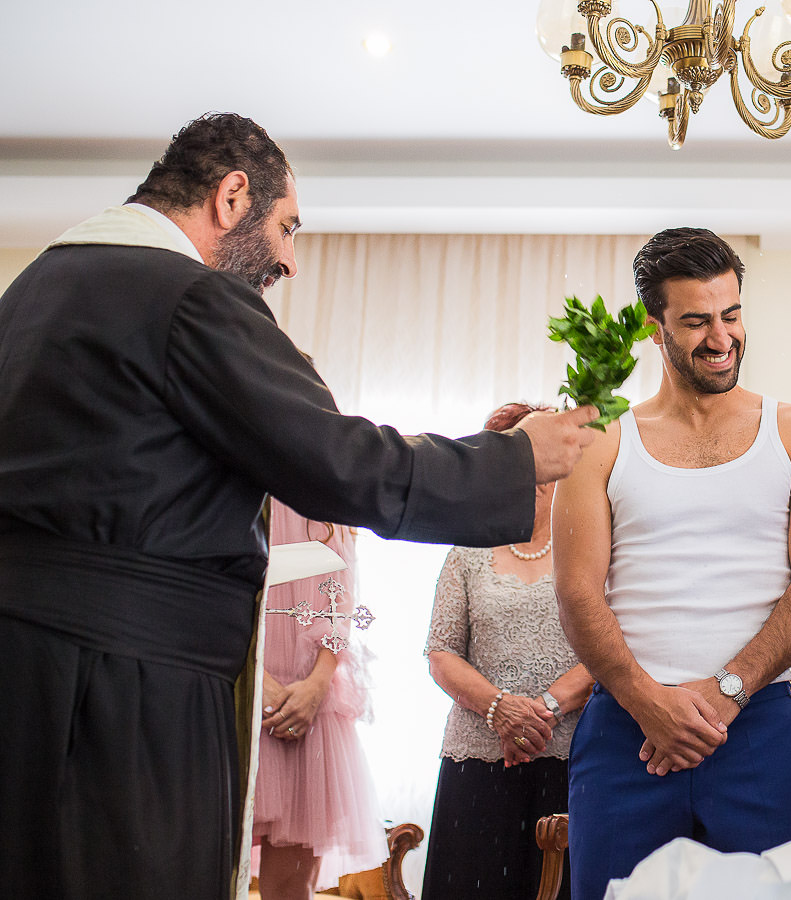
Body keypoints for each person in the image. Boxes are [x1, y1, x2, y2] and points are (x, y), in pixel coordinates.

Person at [0, 112, 598, 900]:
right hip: (120, 696)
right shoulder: (188, 296)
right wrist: (517, 461)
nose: (287, 257)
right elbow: (335, 462)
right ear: (231, 195)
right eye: (286, 228)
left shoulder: (38, 286)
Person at [552, 227, 791, 900]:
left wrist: (725, 695)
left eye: (732, 314)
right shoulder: (599, 436)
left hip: (758, 729)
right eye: (696, 321)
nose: (722, 338)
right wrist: (646, 701)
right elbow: (576, 591)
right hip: (626, 730)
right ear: (654, 328)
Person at [422, 401, 593, 900]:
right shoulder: (466, 552)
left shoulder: (591, 549)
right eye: (520, 462)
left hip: (569, 755)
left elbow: (612, 647)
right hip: (478, 755)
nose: (536, 478)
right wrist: (499, 709)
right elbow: (441, 650)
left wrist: (543, 710)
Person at [252, 500, 386, 898]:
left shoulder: (330, 493)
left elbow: (342, 604)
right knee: (206, 862)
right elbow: (208, 592)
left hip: (312, 703)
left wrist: (316, 685)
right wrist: (260, 683)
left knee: (294, 885)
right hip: (237, 691)